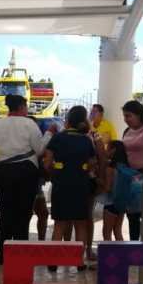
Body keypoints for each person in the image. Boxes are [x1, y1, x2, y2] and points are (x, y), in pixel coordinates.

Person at [0, 94, 55, 264]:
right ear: (22, 106)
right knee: (23, 214)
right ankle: (20, 254)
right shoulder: (29, 124)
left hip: (4, 172)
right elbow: (39, 149)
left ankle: (3, 254)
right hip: (26, 172)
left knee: (6, 213)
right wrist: (49, 134)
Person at [44, 105, 97, 272]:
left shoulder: (58, 138)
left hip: (61, 185)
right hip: (81, 185)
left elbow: (47, 163)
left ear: (68, 120)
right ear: (83, 121)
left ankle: (53, 262)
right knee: (80, 224)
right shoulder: (86, 140)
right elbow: (92, 163)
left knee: (59, 224)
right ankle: (78, 262)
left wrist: (56, 173)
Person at [121, 100, 143, 240]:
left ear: (139, 114)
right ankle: (134, 246)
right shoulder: (127, 131)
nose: (126, 120)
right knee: (132, 216)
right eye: (124, 116)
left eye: (129, 116)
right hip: (130, 177)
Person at [102, 140, 128, 241]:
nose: (106, 151)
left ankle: (109, 255)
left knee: (106, 232)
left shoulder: (110, 169)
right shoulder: (125, 167)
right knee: (117, 230)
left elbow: (108, 188)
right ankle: (122, 255)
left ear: (113, 150)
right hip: (122, 202)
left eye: (107, 148)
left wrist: (98, 181)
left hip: (111, 203)